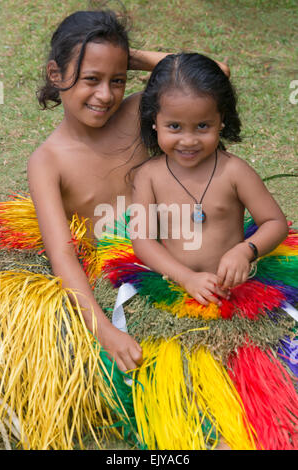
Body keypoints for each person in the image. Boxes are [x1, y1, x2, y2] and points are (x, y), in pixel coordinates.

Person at [27, 10, 230, 373]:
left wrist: (125, 55)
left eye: (117, 80)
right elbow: (63, 255)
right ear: (56, 75)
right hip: (118, 276)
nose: (105, 95)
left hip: (174, 249)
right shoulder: (47, 161)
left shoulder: (136, 111)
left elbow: (216, 73)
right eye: (91, 78)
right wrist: (105, 331)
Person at [131, 53, 289, 304]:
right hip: (175, 285)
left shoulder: (234, 171)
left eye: (202, 126)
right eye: (174, 126)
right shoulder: (148, 176)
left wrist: (245, 251)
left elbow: (275, 222)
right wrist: (185, 278)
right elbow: (143, 240)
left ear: (221, 120)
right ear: (154, 121)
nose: (189, 140)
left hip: (232, 289)